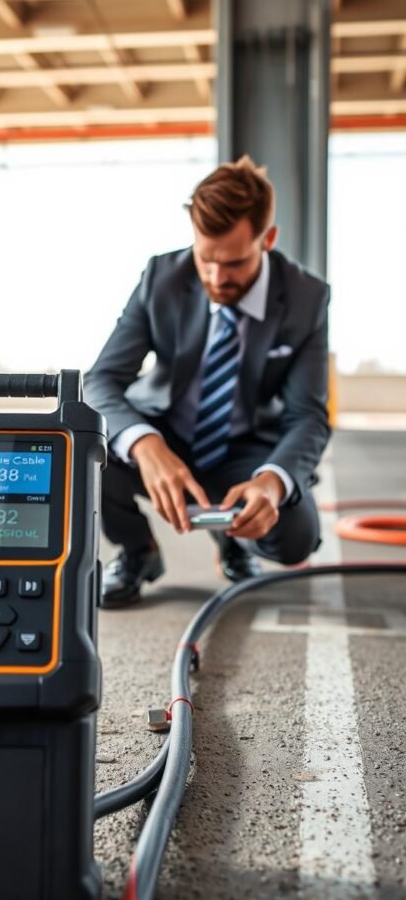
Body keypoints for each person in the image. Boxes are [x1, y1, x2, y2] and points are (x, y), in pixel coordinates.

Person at [84, 155, 331, 608]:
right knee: (89, 450)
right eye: (206, 260)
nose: (217, 279)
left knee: (296, 536)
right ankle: (138, 550)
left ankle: (234, 541)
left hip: (244, 450)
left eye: (234, 263)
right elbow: (100, 380)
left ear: (268, 239)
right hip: (166, 433)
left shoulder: (306, 298)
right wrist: (145, 445)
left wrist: (272, 482)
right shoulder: (161, 277)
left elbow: (308, 417)